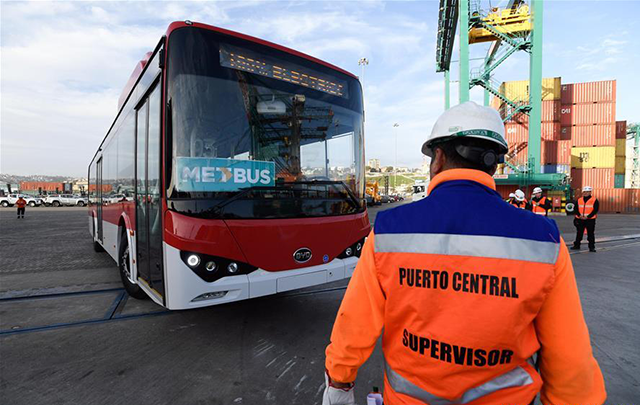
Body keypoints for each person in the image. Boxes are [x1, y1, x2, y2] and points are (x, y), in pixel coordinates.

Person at [322, 101, 605, 405]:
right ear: (493, 163)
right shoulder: (544, 240)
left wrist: (339, 381)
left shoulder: (390, 230)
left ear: (438, 158)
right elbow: (569, 355)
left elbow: (355, 322)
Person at [571, 186, 599, 253]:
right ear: (583, 192)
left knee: (590, 234)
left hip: (590, 220)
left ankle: (591, 247)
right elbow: (575, 209)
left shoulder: (594, 200)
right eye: (585, 192)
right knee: (579, 233)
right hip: (580, 219)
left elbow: (595, 210)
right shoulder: (579, 200)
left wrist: (588, 216)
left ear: (590, 192)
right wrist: (579, 216)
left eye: (587, 192)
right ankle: (577, 245)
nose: (586, 193)